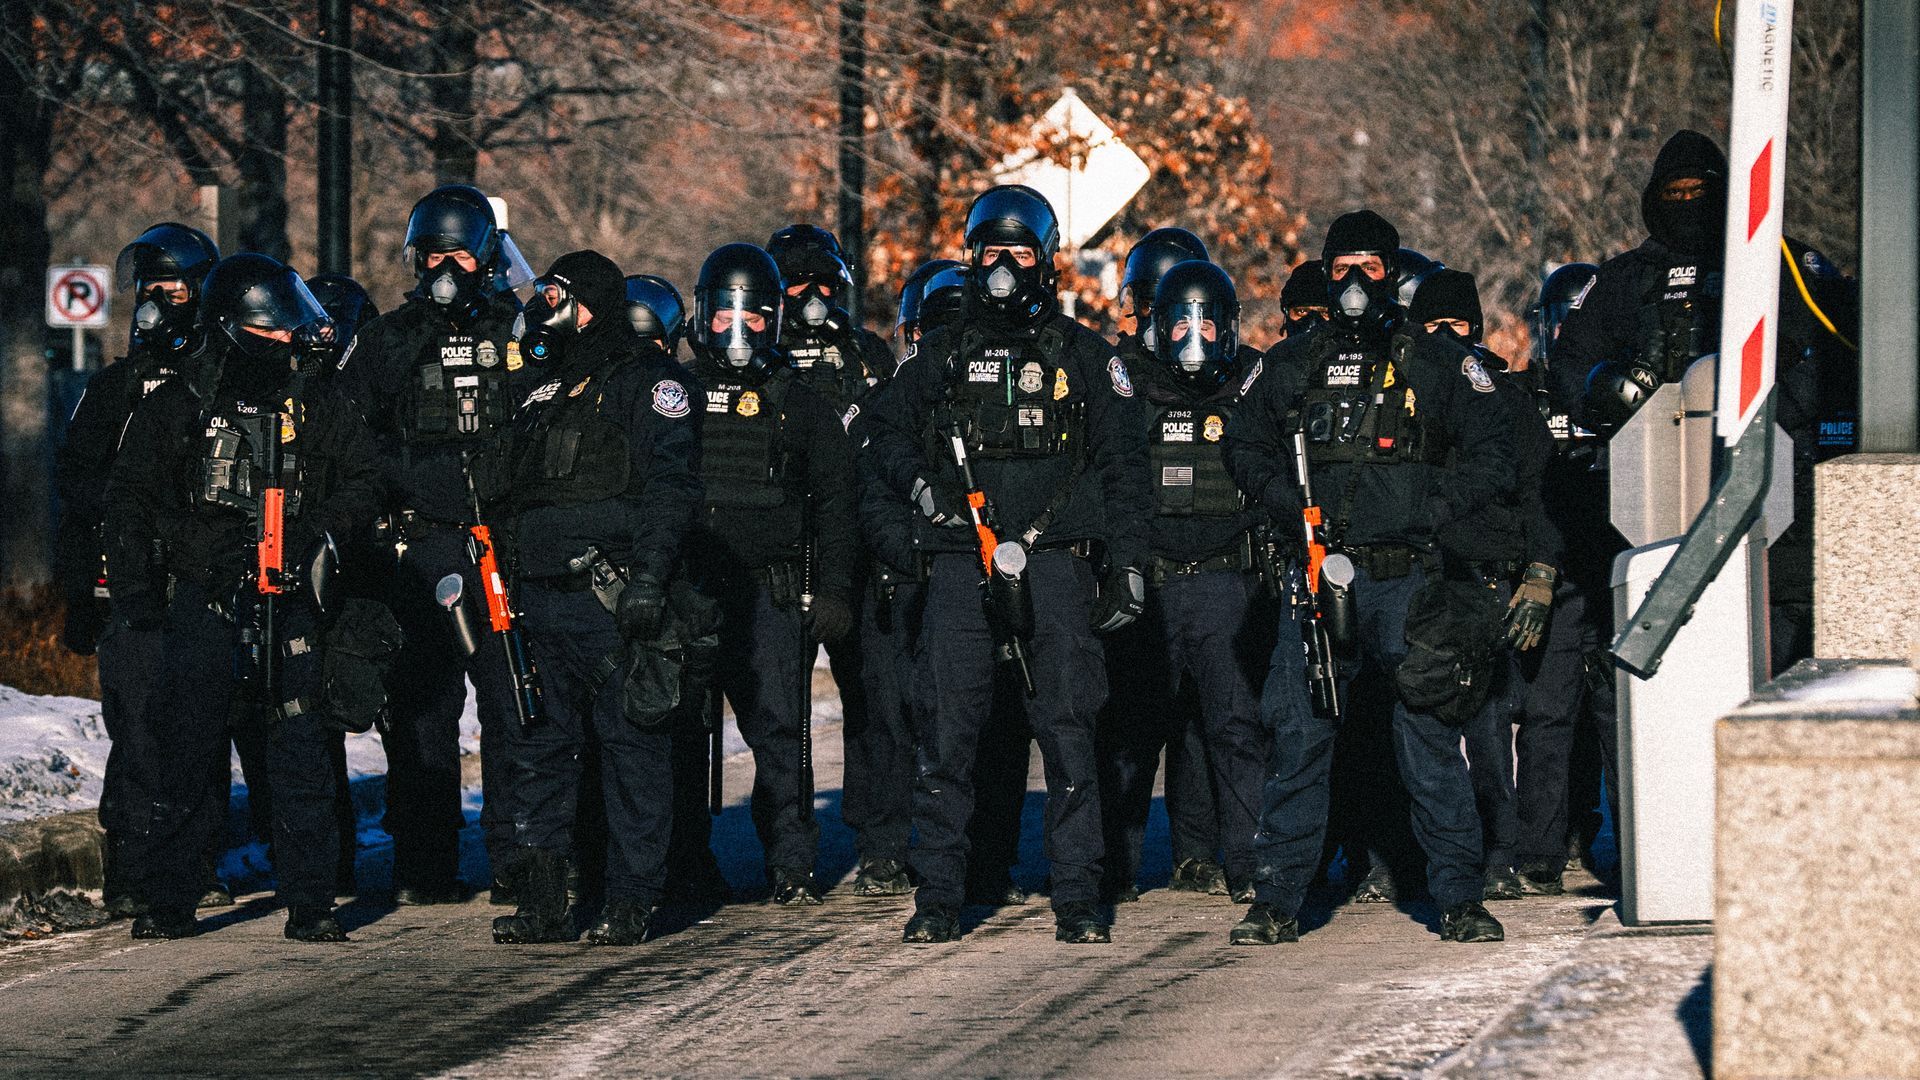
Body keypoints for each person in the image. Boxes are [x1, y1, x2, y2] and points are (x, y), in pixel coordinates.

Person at [864, 184, 1152, 945]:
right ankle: (938, 900)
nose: (1004, 266)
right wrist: (923, 496)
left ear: (1046, 262)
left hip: (1058, 566)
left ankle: (1080, 901)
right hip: (961, 564)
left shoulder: (1085, 355)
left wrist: (1126, 566)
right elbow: (882, 440)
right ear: (972, 256)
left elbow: (1125, 468)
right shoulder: (940, 355)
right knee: (948, 736)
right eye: (991, 250)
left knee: (1068, 733)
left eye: (1020, 252)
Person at [1224, 211, 1514, 946]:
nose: (1355, 284)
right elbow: (1243, 444)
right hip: (1319, 574)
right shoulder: (1291, 361)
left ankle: (1458, 898)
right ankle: (1277, 901)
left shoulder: (1432, 360)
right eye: (1342, 268)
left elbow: (1496, 444)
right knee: (1301, 736)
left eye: (1371, 269)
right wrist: (1288, 503)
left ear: (1393, 274)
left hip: (1408, 578)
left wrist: (1438, 508)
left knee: (1429, 740)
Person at [103, 253, 383, 941]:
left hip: (289, 597)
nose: (290, 340)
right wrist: (146, 592)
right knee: (187, 749)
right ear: (237, 329)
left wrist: (316, 534)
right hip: (205, 598)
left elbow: (367, 479)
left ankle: (311, 901)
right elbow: (131, 500)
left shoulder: (316, 400)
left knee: (299, 749)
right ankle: (169, 898)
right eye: (275, 329)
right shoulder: (179, 405)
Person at [1549, 129, 1858, 673]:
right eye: (1676, 192)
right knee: (1651, 659)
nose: (1688, 204)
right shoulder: (1623, 280)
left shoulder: (1783, 265)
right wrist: (1607, 388)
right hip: (1651, 496)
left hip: (1772, 494)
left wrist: (1768, 403)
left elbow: (1838, 355)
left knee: (1772, 656)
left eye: (1700, 191)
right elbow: (1571, 363)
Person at [482, 251, 703, 945]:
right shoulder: (537, 389)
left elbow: (672, 490)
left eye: (558, 297)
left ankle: (632, 899)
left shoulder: (650, 383)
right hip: (536, 604)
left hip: (612, 600)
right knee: (539, 756)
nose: (544, 308)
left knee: (632, 751)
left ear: (593, 305)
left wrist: (650, 580)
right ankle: (546, 900)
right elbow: (501, 492)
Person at [333, 185, 534, 905]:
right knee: (423, 713)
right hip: (422, 550)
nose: (445, 266)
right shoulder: (389, 339)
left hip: (502, 546)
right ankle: (426, 863)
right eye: (433, 252)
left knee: (513, 704)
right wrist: (410, 483)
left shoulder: (519, 330)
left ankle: (518, 859)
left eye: (459, 252)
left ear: (484, 258)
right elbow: (350, 435)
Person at [679, 242, 859, 906]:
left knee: (782, 736)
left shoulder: (800, 403)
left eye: (752, 315)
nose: (737, 327)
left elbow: (837, 505)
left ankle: (791, 862)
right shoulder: (677, 394)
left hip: (771, 595)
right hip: (691, 593)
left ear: (774, 320)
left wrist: (835, 589)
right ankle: (684, 861)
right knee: (680, 737)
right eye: (724, 313)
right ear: (702, 316)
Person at [56, 223, 226, 918]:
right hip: (131, 585)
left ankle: (194, 860)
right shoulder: (116, 387)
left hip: (201, 582)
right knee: (136, 728)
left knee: (200, 727)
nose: (156, 300)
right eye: (148, 287)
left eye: (173, 286)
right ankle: (130, 865)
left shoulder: (220, 377)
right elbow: (75, 482)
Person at [1101, 258, 1275, 904]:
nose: (1193, 337)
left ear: (1229, 327)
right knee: (1132, 733)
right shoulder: (1132, 386)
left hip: (1228, 584)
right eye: (1179, 324)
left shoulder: (1253, 382)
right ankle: (1113, 868)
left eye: (1207, 322)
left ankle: (1250, 867)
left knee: (1235, 730)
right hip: (1154, 583)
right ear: (1157, 326)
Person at [1409, 268, 1563, 901]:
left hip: (1488, 578)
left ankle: (1498, 851)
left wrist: (1540, 575)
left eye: (1459, 325)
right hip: (1423, 576)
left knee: (1489, 729)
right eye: (1432, 326)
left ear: (1477, 329)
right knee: (1420, 726)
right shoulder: (1401, 393)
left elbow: (1539, 497)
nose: (1446, 337)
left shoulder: (1505, 397)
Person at [765, 224, 909, 896]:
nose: (815, 296)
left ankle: (880, 841)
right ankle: (787, 852)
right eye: (799, 281)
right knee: (779, 707)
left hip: (859, 549)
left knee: (877, 700)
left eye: (827, 281)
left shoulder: (868, 355)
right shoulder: (760, 358)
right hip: (787, 549)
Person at [1511, 262, 1617, 893]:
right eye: (1559, 324)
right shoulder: (1526, 396)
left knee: (1614, 712)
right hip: (1552, 573)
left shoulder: (1628, 392)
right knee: (1548, 717)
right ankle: (1540, 853)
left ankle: (1632, 850)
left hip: (1613, 567)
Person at [1278, 260, 1328, 340]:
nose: (1312, 325)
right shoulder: (1277, 352)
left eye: (1325, 312)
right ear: (1286, 311)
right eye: (1301, 311)